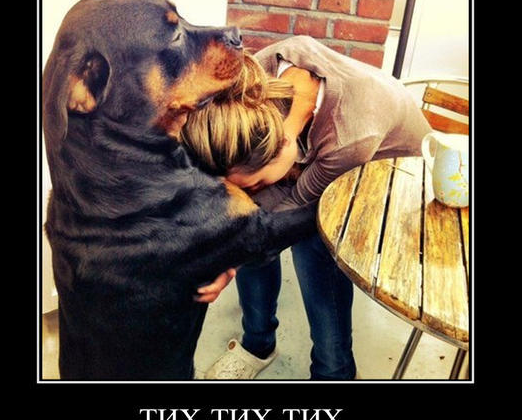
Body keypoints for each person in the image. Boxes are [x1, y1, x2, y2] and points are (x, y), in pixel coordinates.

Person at [182, 35, 432, 380]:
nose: (251, 191)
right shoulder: (264, 71)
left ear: (283, 147)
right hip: (318, 158)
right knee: (247, 218)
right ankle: (258, 344)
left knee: (313, 244)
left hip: (395, 189)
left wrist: (230, 261)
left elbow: (293, 208)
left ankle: (335, 370)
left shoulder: (350, 134)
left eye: (255, 183)